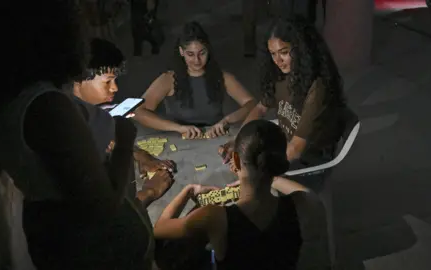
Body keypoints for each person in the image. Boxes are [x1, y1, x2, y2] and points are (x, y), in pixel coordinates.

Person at [0, 0, 155, 269]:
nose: (84, 31)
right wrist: (124, 140)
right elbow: (103, 207)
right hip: (94, 249)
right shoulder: (46, 107)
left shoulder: (9, 101)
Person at [153, 120, 309, 269]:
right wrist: (267, 176)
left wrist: (188, 191)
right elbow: (304, 191)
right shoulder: (303, 204)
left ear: (235, 159)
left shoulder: (214, 216)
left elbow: (159, 229)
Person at [220, 18, 346, 193]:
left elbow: (295, 149)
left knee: (251, 185)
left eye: (284, 52)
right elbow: (260, 108)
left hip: (311, 159)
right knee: (240, 162)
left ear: (301, 50)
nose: (278, 61)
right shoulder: (282, 76)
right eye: (273, 54)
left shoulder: (318, 88)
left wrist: (255, 174)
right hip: (286, 144)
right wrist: (240, 141)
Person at [72, 37, 175, 205]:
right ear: (79, 80)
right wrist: (149, 192)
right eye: (107, 81)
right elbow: (102, 212)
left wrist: (141, 155)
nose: (115, 88)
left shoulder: (95, 113)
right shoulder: (75, 135)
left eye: (115, 80)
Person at [133, 21, 256, 139]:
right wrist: (178, 128)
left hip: (215, 137)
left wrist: (227, 120)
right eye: (190, 54)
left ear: (208, 50)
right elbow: (138, 112)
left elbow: (251, 103)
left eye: (202, 53)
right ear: (181, 52)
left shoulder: (223, 77)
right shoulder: (168, 79)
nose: (197, 60)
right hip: (179, 139)